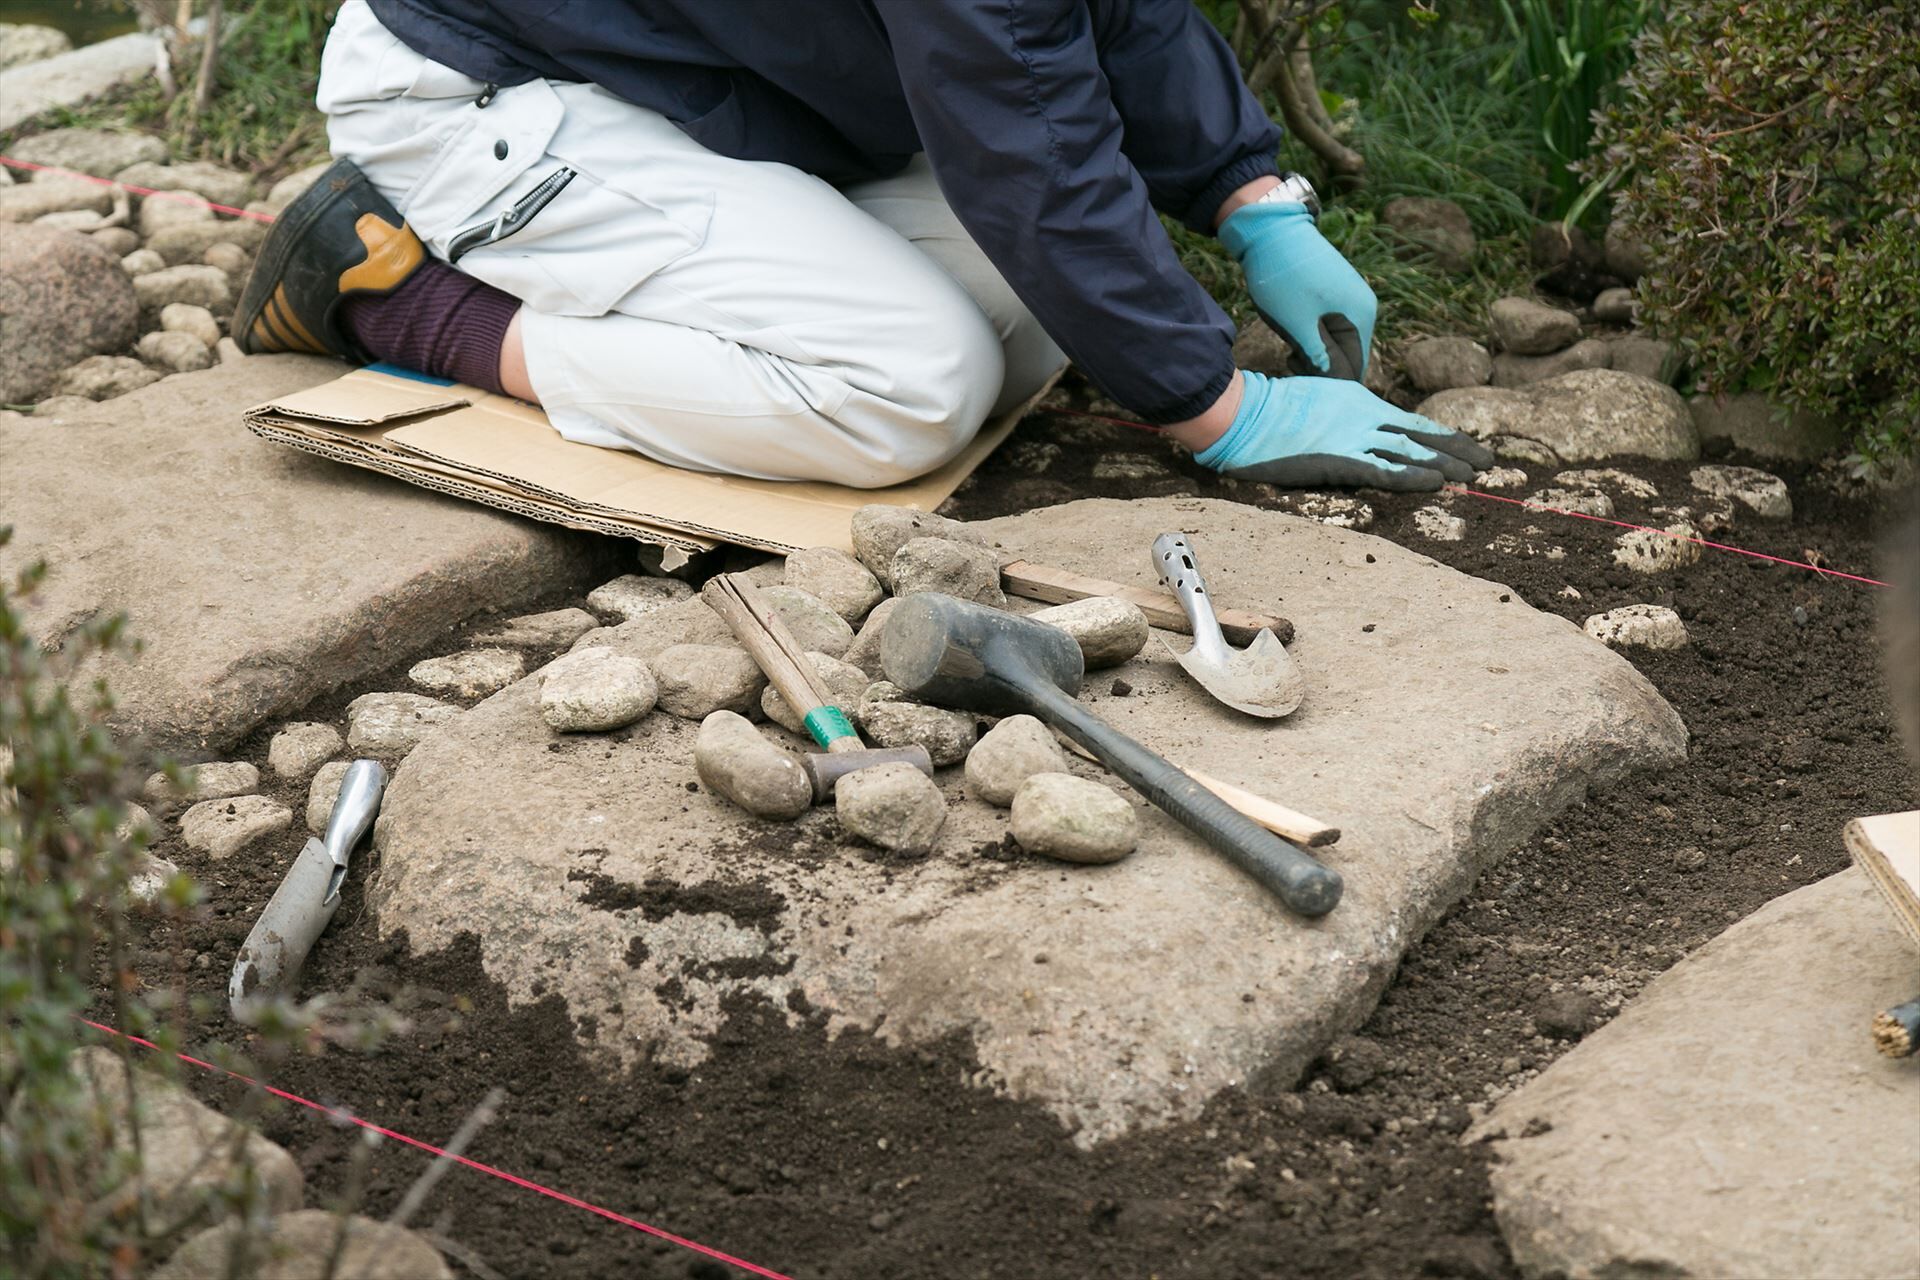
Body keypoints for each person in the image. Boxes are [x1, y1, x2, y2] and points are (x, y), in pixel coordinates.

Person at [239, 0, 1492, 491]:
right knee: (915, 385)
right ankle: (407, 301)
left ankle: (614, 281)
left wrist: (1250, 196)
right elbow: (1023, 133)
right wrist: (1216, 411)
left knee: (1031, 310)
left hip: (663, 70)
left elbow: (1124, 16)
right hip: (479, 88)